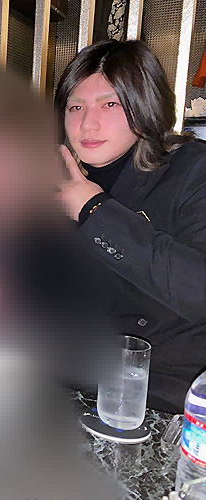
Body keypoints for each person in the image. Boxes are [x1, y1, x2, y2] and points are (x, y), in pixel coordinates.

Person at [55, 39, 206, 413]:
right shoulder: (58, 176)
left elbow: (198, 290)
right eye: (76, 107)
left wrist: (94, 210)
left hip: (163, 396)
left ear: (145, 104)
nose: (87, 123)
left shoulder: (192, 170)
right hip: (70, 383)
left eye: (110, 104)